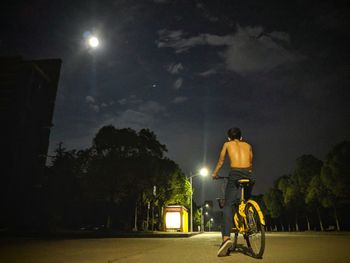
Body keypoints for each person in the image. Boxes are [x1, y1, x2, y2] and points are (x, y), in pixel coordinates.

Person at [212, 127, 254, 257]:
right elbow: (251, 162)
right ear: (241, 137)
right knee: (245, 200)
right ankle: (249, 216)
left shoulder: (227, 144)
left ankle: (226, 239)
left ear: (229, 138)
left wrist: (215, 174)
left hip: (235, 173)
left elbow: (221, 161)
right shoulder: (248, 145)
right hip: (247, 173)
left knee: (228, 205)